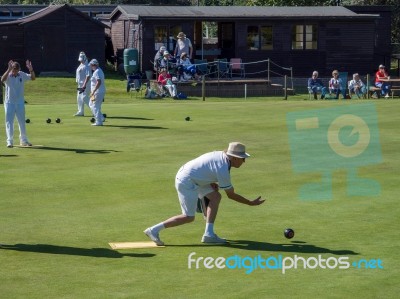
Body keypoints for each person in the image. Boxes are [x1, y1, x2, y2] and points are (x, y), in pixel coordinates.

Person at [144, 142, 265, 245]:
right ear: (234, 157)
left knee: (215, 196)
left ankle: (209, 234)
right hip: (187, 181)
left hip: (193, 177)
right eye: (242, 158)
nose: (244, 161)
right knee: (188, 217)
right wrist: (250, 203)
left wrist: (209, 180)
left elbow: (206, 167)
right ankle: (153, 230)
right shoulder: (223, 168)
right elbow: (231, 195)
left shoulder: (221, 157)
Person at [1, 60, 35, 148]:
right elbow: (2, 80)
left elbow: (33, 78)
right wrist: (8, 69)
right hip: (9, 103)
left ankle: (24, 140)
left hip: (20, 102)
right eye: (13, 69)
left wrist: (31, 70)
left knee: (22, 122)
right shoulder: (8, 75)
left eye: (16, 69)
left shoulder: (22, 74)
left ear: (19, 69)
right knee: (9, 122)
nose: (14, 71)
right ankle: (10, 141)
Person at [88, 59, 106, 126]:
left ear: (94, 65)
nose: (90, 67)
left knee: (95, 106)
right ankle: (101, 117)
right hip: (97, 92)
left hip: (97, 92)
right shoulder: (98, 70)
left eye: (91, 65)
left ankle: (99, 122)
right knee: (91, 104)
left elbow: (99, 81)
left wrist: (94, 91)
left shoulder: (97, 72)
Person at [74, 51, 91, 116]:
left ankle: (94, 109)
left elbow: (88, 76)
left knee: (84, 97)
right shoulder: (81, 65)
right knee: (79, 98)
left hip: (85, 84)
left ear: (85, 58)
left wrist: (84, 84)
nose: (80, 61)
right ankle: (80, 111)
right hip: (80, 84)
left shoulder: (87, 66)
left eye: (82, 60)